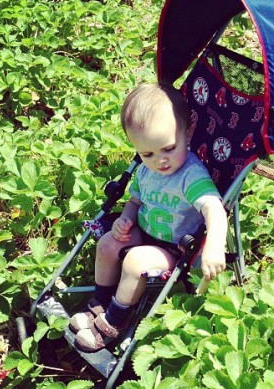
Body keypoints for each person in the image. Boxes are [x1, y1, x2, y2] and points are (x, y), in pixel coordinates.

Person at [70, 82, 228, 352]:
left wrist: (214, 245)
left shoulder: (190, 175)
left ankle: (113, 323)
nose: (160, 161)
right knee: (108, 244)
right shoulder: (147, 171)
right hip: (144, 230)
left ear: (187, 132)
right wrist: (126, 219)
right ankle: (99, 304)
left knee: (135, 261)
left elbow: (214, 208)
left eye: (168, 148)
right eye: (147, 153)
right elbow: (135, 200)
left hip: (175, 247)